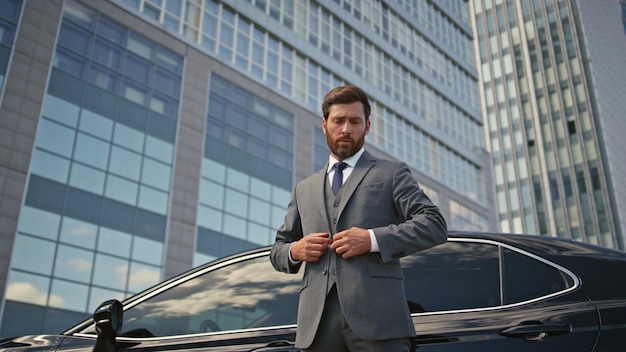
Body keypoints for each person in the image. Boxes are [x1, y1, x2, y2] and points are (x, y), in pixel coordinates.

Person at [270, 85, 447, 351]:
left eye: (355, 121)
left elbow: (434, 223)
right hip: (316, 328)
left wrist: (372, 239)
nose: (346, 129)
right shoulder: (303, 189)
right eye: (338, 120)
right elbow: (278, 250)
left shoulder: (392, 173)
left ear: (367, 126)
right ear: (324, 124)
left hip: (380, 324)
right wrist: (295, 250)